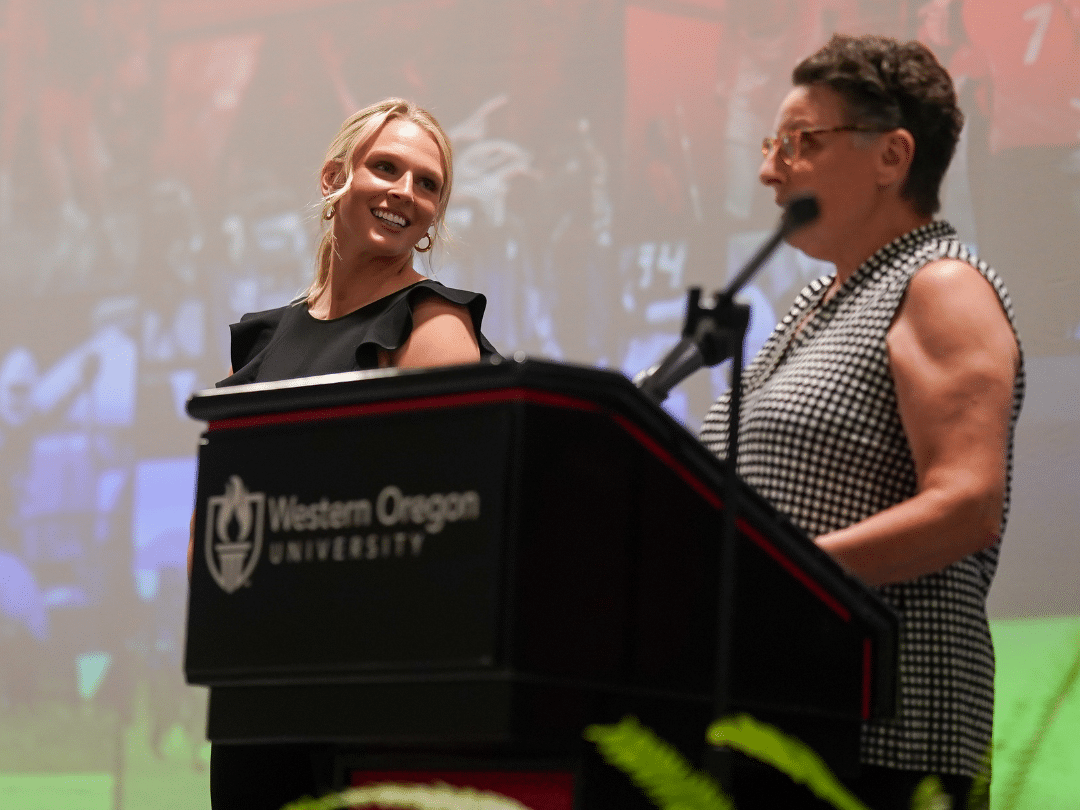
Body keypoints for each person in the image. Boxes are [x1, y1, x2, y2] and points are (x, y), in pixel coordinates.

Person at [699, 34, 1024, 810]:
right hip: (783, 720)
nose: (769, 168)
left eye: (801, 142)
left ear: (892, 156)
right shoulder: (818, 304)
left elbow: (967, 507)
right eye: (772, 143)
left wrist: (779, 580)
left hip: (884, 739)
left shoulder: (940, 285)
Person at [207, 98, 498, 810]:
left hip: (368, 694)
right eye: (387, 167)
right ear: (334, 176)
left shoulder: (433, 330)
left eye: (428, 184)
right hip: (255, 688)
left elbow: (462, 525)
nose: (406, 192)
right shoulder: (267, 340)